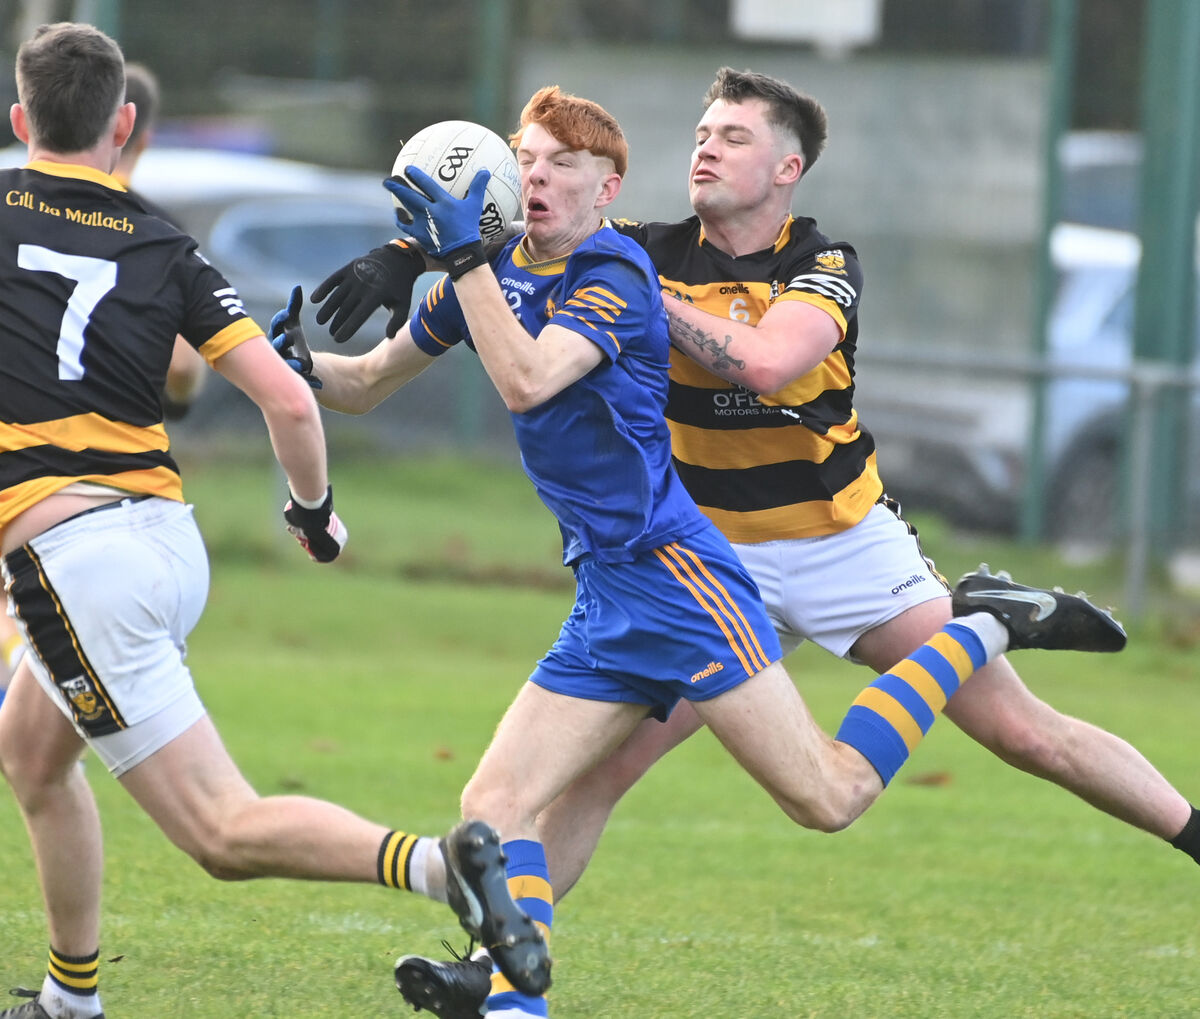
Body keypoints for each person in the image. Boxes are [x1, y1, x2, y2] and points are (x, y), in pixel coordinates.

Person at [304, 68, 1199, 1018]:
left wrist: (635, 292)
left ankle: (1018, 652)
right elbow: (520, 235)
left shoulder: (820, 264)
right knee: (595, 774)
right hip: (702, 556)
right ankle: (499, 977)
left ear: (787, 166)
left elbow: (770, 362)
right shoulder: (645, 247)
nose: (705, 147)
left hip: (840, 542)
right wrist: (409, 251)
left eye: (732, 136)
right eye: (701, 131)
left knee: (1023, 735)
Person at [0, 24, 546, 1019]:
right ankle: (70, 996)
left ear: (17, 120)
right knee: (34, 754)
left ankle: (439, 869)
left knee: (220, 830)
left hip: (73, 564)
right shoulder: (167, 245)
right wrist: (315, 518)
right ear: (123, 126)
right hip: (166, 542)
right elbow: (290, 402)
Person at [113, 61, 207, 419]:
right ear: (144, 138)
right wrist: (178, 404)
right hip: (115, 446)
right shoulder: (160, 232)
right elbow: (181, 366)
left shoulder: (23, 205)